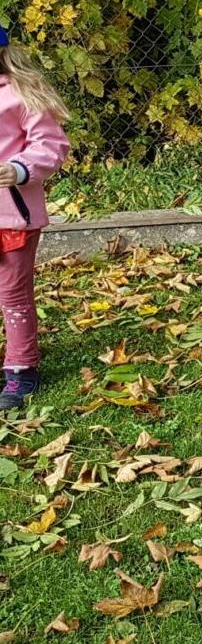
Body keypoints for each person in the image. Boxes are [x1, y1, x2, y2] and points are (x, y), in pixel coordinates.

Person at [0, 35, 71, 410]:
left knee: (12, 292)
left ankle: (21, 368)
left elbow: (52, 143)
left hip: (12, 216)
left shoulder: (21, 92)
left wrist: (20, 168)